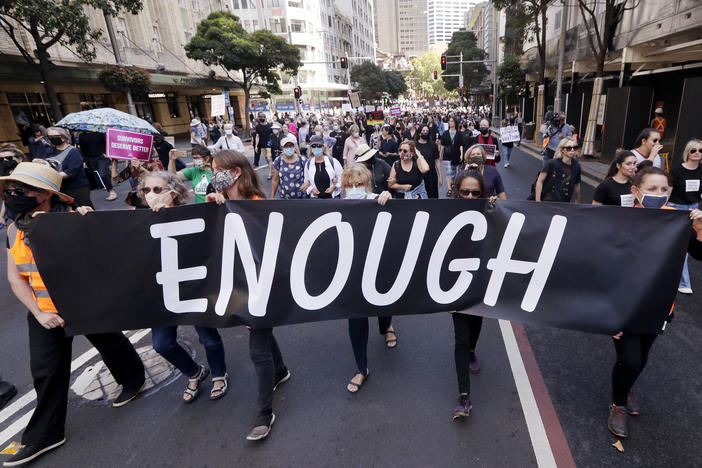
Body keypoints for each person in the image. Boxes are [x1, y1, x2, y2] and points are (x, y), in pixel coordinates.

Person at [1, 162, 145, 466]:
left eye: (21, 189)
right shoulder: (13, 229)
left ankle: (133, 379)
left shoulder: (74, 220)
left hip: (84, 302)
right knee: (47, 371)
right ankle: (46, 434)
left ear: (44, 194)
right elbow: (16, 278)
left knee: (110, 342)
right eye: (10, 190)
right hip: (43, 310)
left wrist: (90, 226)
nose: (13, 194)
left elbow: (113, 255)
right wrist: (39, 313)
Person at [607, 166, 702, 439]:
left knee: (641, 357)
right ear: (636, 191)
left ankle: (626, 386)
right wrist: (607, 314)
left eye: (664, 189)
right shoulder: (619, 220)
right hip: (623, 307)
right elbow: (601, 265)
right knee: (630, 359)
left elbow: (699, 253)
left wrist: (699, 225)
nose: (658, 194)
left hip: (659, 308)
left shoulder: (677, 220)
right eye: (651, 189)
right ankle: (618, 403)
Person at [205, 150, 291, 441]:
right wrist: (213, 209)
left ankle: (265, 413)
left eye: (217, 169)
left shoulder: (257, 205)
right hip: (239, 286)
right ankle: (280, 371)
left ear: (236, 172)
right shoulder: (219, 202)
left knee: (257, 348)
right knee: (262, 333)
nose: (212, 173)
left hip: (262, 287)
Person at [137, 170, 229, 403]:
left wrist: (213, 204)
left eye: (157, 189)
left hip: (193, 285)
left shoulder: (190, 214)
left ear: (173, 192)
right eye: (146, 190)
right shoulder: (137, 219)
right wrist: (85, 213)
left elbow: (212, 232)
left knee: (207, 335)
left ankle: (219, 373)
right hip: (162, 291)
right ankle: (195, 372)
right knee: (162, 344)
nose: (151, 195)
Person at [340, 164, 394, 393]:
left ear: (367, 184)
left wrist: (388, 197)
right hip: (352, 271)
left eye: (358, 184)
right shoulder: (337, 206)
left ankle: (387, 326)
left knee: (384, 303)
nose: (353, 188)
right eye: (349, 185)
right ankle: (361, 368)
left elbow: (396, 217)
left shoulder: (377, 199)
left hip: (379, 266)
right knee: (356, 319)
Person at [450, 168, 498, 419]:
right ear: (457, 192)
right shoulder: (445, 215)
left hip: (480, 283)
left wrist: (495, 211)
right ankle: (464, 397)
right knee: (461, 337)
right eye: (464, 192)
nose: (469, 196)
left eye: (475, 193)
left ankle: (472, 351)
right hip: (456, 285)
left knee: (475, 326)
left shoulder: (489, 211)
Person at [667, 139, 702, 294]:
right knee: (682, 247)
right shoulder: (676, 170)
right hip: (676, 209)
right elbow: (667, 192)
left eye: (700, 151)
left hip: (693, 210)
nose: (697, 153)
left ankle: (678, 280)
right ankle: (683, 282)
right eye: (693, 150)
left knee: (688, 245)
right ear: (687, 152)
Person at [45, 127, 93, 208]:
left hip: (76, 187)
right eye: (50, 136)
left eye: (55, 136)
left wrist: (52, 177)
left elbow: (71, 171)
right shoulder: (50, 151)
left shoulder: (73, 151)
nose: (52, 138)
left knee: (85, 210)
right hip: (59, 188)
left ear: (63, 136)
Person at [535, 137, 581, 203]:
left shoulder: (576, 166)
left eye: (575, 148)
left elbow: (577, 185)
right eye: (569, 148)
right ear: (562, 150)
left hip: (565, 204)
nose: (572, 150)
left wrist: (577, 203)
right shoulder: (552, 163)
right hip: (548, 202)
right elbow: (540, 181)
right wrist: (538, 201)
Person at [78, 131, 117, 201]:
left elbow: (107, 143)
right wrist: (84, 161)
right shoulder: (82, 136)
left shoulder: (99, 132)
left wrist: (108, 152)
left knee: (103, 174)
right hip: (90, 159)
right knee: (98, 174)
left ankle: (111, 191)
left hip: (102, 157)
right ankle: (106, 182)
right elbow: (83, 149)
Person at [439, 117, 464, 197]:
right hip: (447, 155)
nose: (450, 123)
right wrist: (440, 154)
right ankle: (449, 188)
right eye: (449, 121)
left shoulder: (459, 133)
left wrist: (461, 154)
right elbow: (442, 145)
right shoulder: (445, 133)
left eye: (452, 121)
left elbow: (461, 145)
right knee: (448, 172)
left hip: (456, 155)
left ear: (455, 123)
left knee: (453, 172)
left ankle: (452, 183)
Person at [415, 125, 442, 199]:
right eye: (423, 131)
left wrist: (440, 176)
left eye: (427, 131)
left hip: (431, 176)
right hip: (418, 177)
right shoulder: (414, 145)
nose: (425, 133)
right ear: (419, 133)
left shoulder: (433, 145)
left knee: (432, 197)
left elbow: (437, 161)